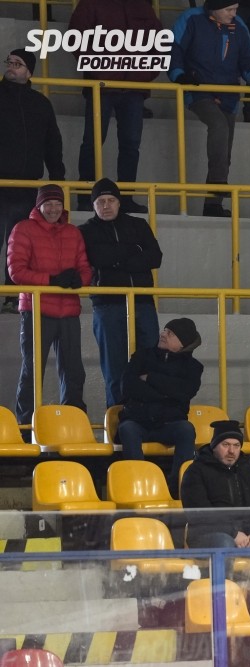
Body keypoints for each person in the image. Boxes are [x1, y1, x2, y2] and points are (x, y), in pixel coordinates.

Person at [169, 1, 250, 217]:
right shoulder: (191, 19)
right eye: (229, 10)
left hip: (228, 94)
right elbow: (174, 48)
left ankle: (213, 205)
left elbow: (248, 57)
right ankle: (218, 183)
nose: (234, 14)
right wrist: (179, 74)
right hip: (198, 90)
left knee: (225, 152)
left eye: (236, 9)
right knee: (218, 125)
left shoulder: (239, 24)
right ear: (214, 8)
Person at [7, 184, 90, 429]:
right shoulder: (23, 229)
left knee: (74, 372)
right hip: (36, 310)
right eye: (48, 204)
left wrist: (80, 279)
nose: (53, 209)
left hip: (69, 312)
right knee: (32, 372)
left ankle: (73, 427)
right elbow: (16, 271)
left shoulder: (73, 232)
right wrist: (52, 280)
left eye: (58, 204)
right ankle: (25, 428)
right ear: (39, 206)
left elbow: (85, 268)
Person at [69, 0, 163, 213]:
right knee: (93, 142)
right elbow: (75, 36)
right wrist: (97, 69)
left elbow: (159, 42)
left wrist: (146, 73)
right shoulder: (92, 3)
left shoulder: (142, 6)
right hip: (101, 86)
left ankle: (126, 199)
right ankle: (86, 198)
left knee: (131, 145)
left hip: (134, 88)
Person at [78, 178, 163, 408]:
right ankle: (117, 419)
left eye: (111, 200)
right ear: (93, 205)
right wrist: (133, 252)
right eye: (101, 201)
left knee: (149, 365)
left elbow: (155, 257)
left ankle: (148, 415)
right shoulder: (85, 231)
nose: (106, 205)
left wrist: (115, 258)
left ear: (119, 202)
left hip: (143, 303)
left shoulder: (138, 225)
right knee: (114, 369)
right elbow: (97, 257)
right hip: (108, 305)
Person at [0, 48, 65, 314]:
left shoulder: (40, 104)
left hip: (25, 185)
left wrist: (58, 178)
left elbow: (53, 144)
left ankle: (12, 296)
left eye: (18, 63)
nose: (11, 66)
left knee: (18, 245)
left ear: (29, 72)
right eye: (9, 62)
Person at [117, 318, 203, 496]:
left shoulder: (193, 368)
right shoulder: (142, 356)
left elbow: (185, 391)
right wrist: (167, 394)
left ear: (182, 343)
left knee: (186, 429)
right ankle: (139, 485)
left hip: (169, 424)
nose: (163, 334)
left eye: (170, 333)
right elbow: (127, 387)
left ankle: (178, 487)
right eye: (164, 330)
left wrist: (150, 378)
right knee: (127, 429)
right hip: (138, 420)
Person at [181, 419, 250, 548]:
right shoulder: (195, 471)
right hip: (208, 534)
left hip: (249, 535)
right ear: (214, 446)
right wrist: (233, 534)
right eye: (225, 445)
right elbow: (199, 514)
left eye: (236, 445)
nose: (231, 451)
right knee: (225, 542)